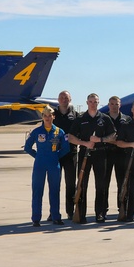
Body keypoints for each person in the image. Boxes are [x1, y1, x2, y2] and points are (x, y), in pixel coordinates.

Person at [67, 93, 117, 223]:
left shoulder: (105, 118)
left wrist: (100, 139)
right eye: (91, 102)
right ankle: (81, 214)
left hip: (100, 154)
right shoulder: (80, 118)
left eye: (95, 102)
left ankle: (100, 213)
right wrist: (84, 143)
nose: (93, 104)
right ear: (87, 103)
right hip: (85, 153)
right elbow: (71, 137)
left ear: (98, 103)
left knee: (101, 185)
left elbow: (113, 136)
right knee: (82, 184)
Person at [24, 107, 67, 227]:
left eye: (50, 115)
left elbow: (66, 148)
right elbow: (27, 147)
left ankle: (56, 217)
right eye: (45, 116)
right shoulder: (37, 131)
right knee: (37, 190)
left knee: (55, 190)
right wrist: (38, 156)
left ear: (54, 117)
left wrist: (56, 156)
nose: (47, 118)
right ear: (42, 117)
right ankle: (36, 218)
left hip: (53, 163)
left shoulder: (59, 132)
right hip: (40, 164)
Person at [52, 90, 80, 220]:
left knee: (70, 183)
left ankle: (70, 211)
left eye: (66, 98)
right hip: (55, 154)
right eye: (62, 97)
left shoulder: (76, 115)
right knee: (54, 184)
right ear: (58, 99)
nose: (64, 100)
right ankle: (53, 211)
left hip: (70, 153)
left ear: (70, 99)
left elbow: (81, 131)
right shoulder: (52, 114)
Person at [104, 96, 128, 218]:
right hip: (106, 154)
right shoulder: (103, 118)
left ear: (120, 105)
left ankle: (122, 208)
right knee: (104, 183)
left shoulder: (126, 119)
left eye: (116, 104)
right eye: (112, 104)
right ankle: (102, 210)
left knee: (122, 183)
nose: (114, 106)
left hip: (122, 154)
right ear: (109, 105)